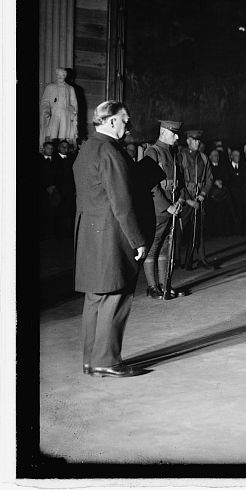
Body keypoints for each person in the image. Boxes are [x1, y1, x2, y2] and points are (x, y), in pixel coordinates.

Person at [73, 101, 150, 377]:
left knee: (96, 298)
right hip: (111, 235)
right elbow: (122, 203)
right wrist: (137, 240)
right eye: (124, 119)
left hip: (91, 234)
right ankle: (107, 360)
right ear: (110, 121)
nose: (128, 125)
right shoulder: (110, 152)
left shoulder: (88, 148)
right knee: (116, 297)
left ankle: (90, 360)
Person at [142, 120, 186, 300]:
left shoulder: (172, 153)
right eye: (173, 133)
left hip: (173, 208)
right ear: (162, 132)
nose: (176, 137)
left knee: (166, 248)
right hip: (158, 209)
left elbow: (179, 181)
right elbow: (150, 184)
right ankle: (152, 287)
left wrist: (180, 201)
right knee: (153, 247)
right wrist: (167, 206)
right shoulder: (152, 152)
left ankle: (165, 285)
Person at [179, 130, 214, 269]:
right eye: (194, 140)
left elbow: (210, 179)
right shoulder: (181, 156)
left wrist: (202, 195)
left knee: (198, 231)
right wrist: (187, 199)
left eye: (199, 140)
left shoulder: (204, 158)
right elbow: (179, 179)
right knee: (179, 232)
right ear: (188, 141)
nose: (197, 142)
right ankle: (177, 260)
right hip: (185, 199)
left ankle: (201, 258)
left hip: (199, 199)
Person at [40, 67, 79, 147]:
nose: (60, 77)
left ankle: (63, 152)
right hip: (54, 113)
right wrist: (46, 110)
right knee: (52, 134)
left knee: (64, 135)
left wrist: (73, 112)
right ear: (56, 75)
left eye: (63, 75)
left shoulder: (70, 88)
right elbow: (45, 101)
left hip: (65, 114)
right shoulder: (50, 87)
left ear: (66, 76)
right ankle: (51, 151)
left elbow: (74, 103)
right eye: (58, 75)